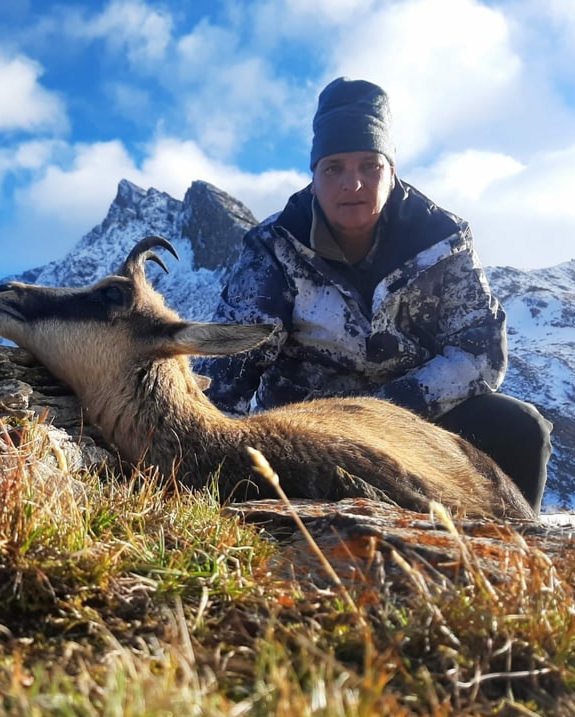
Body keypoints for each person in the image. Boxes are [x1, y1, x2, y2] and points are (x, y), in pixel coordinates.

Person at [198, 77, 551, 513]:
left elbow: (479, 352)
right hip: (305, 430)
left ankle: (517, 555)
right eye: (335, 168)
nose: (354, 184)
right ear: (314, 175)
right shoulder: (273, 248)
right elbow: (230, 363)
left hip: (422, 420)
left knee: (519, 429)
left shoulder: (444, 241)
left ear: (392, 169)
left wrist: (386, 413)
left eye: (370, 165)